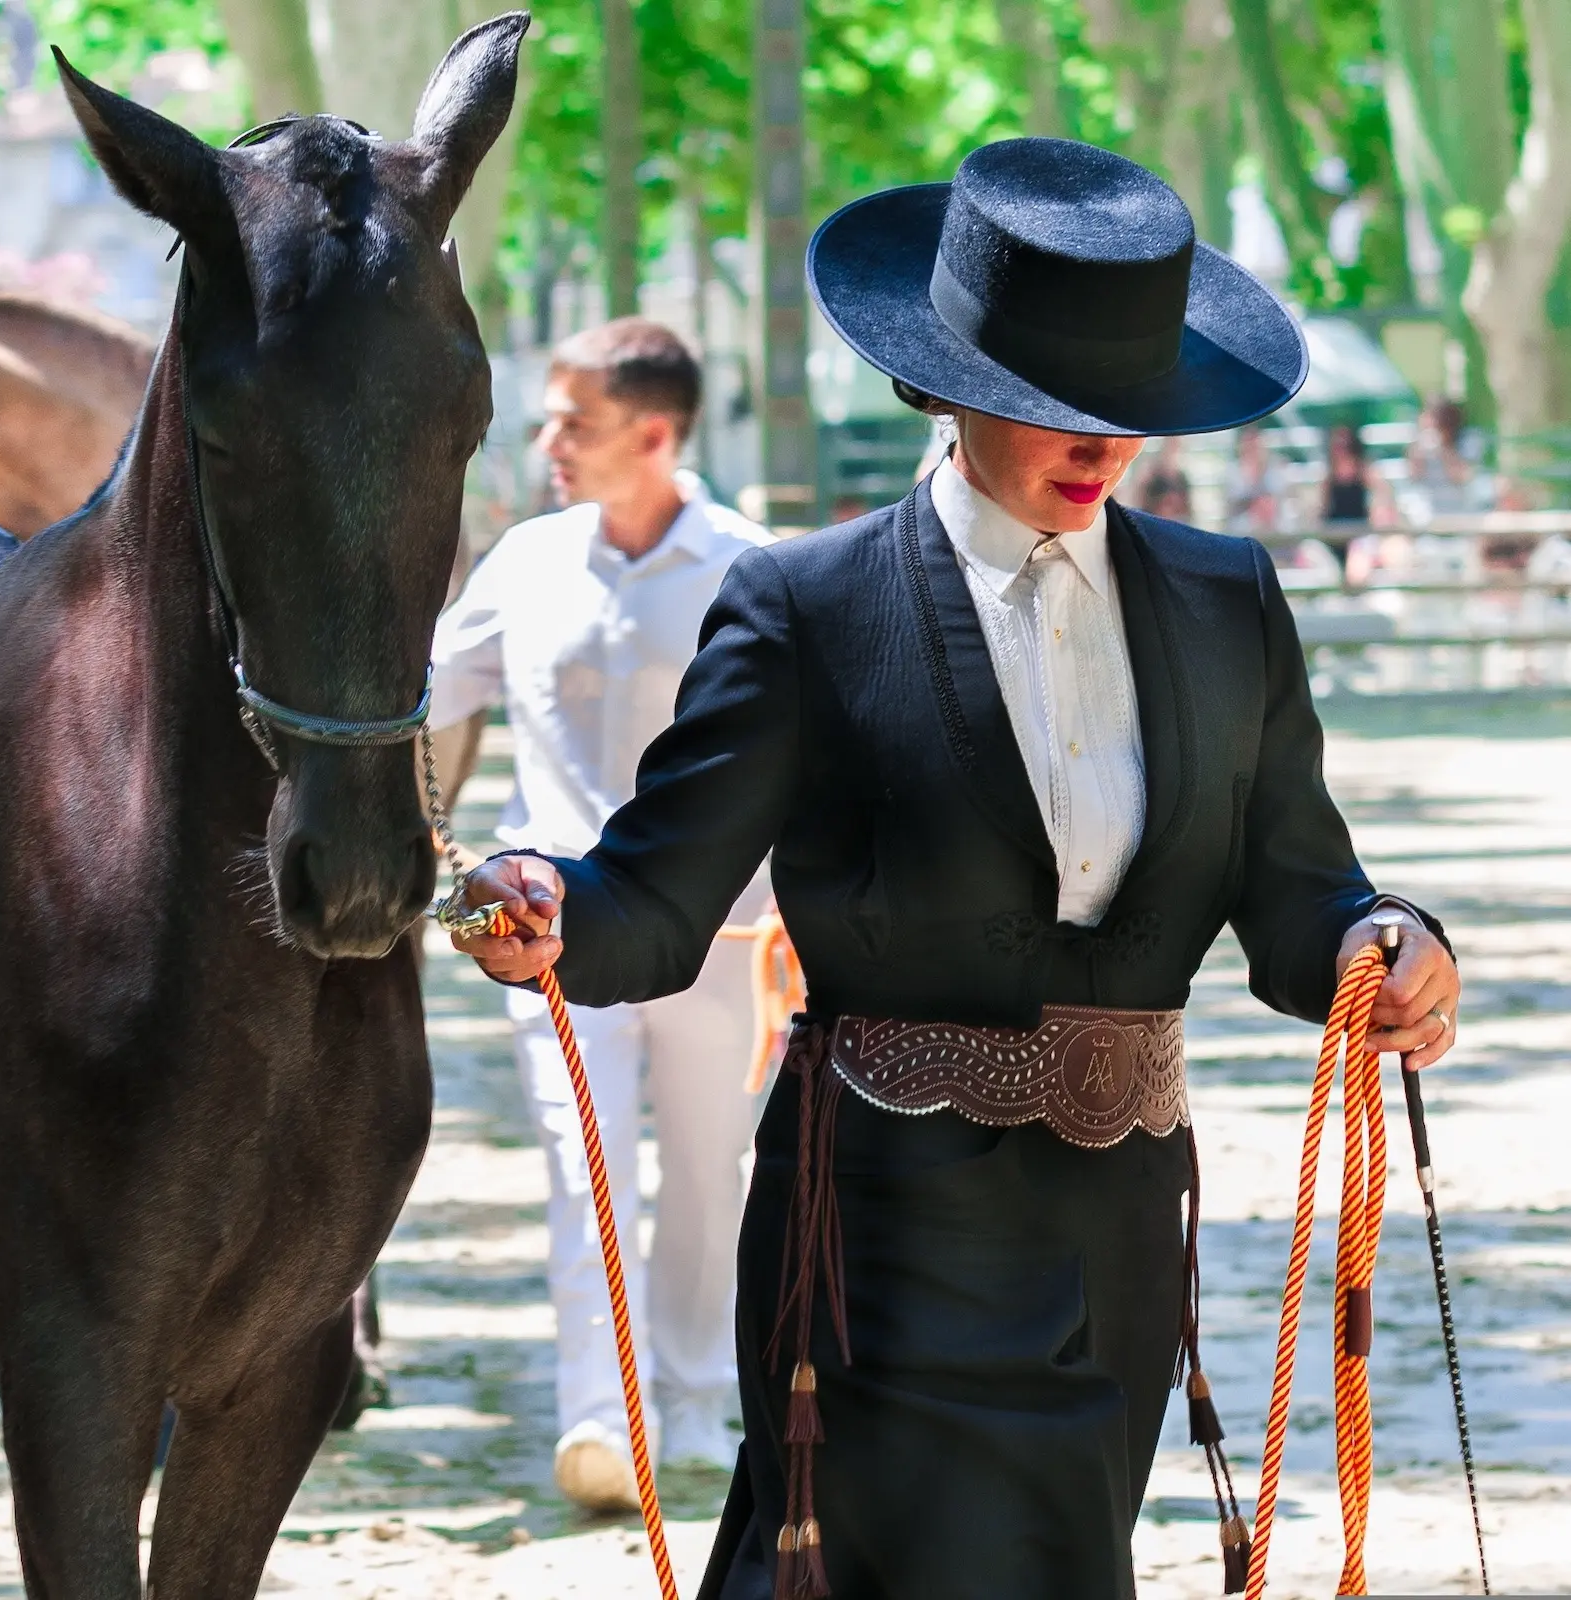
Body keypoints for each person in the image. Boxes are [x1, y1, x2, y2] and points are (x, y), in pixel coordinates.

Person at [447, 140, 1461, 1598]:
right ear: (946, 378)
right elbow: (655, 897)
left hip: (1120, 1230)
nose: (1098, 438)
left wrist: (1390, 944)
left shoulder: (1226, 601)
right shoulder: (803, 607)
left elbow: (1300, 897)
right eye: (1056, 403)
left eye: (1127, 402)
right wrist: (542, 911)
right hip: (882, 1222)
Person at [429, 316, 774, 1509]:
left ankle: (691, 1397)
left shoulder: (753, 568)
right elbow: (419, 701)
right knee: (584, 1169)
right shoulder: (524, 563)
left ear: (657, 432)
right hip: (549, 936)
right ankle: (600, 1409)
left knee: (706, 1170)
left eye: (573, 421)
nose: (548, 443)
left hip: (726, 939)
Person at [1134, 435, 1192, 519]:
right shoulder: (1151, 474)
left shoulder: (1182, 478)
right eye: (1171, 446)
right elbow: (1140, 500)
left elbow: (1187, 508)